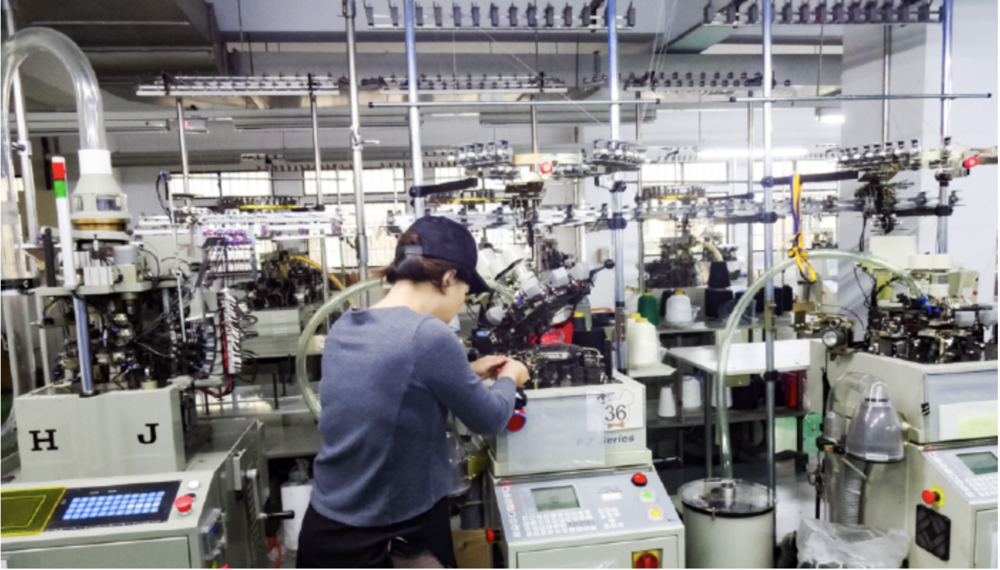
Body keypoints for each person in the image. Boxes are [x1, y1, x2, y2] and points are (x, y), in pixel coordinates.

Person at [297, 216, 530, 568]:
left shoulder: (346, 325)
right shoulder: (429, 335)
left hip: (326, 531)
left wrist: (464, 373)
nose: (461, 302)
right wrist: (511, 376)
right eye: (464, 292)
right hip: (395, 537)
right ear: (448, 279)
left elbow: (389, 386)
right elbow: (491, 418)